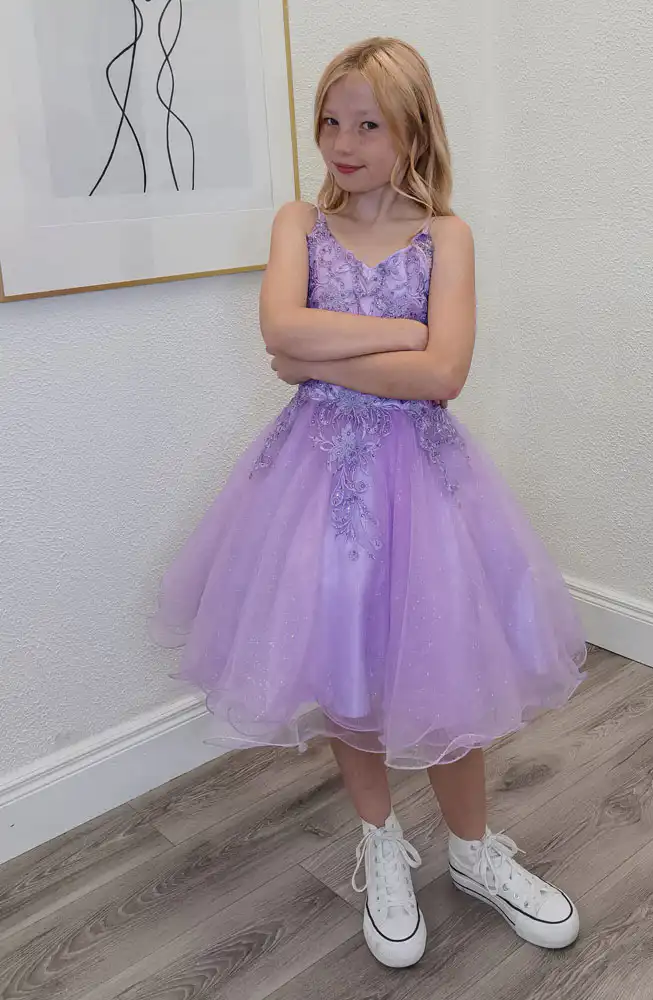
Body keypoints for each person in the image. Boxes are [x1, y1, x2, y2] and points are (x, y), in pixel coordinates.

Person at [150, 36, 586, 969]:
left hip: (424, 484)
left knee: (446, 664)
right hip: (317, 485)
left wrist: (326, 355)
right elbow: (279, 332)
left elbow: (444, 374)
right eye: (330, 122)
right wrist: (400, 333)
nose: (342, 144)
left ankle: (473, 851)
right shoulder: (297, 225)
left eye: (368, 125)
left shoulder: (447, 237)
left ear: (414, 132)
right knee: (344, 667)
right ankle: (382, 841)